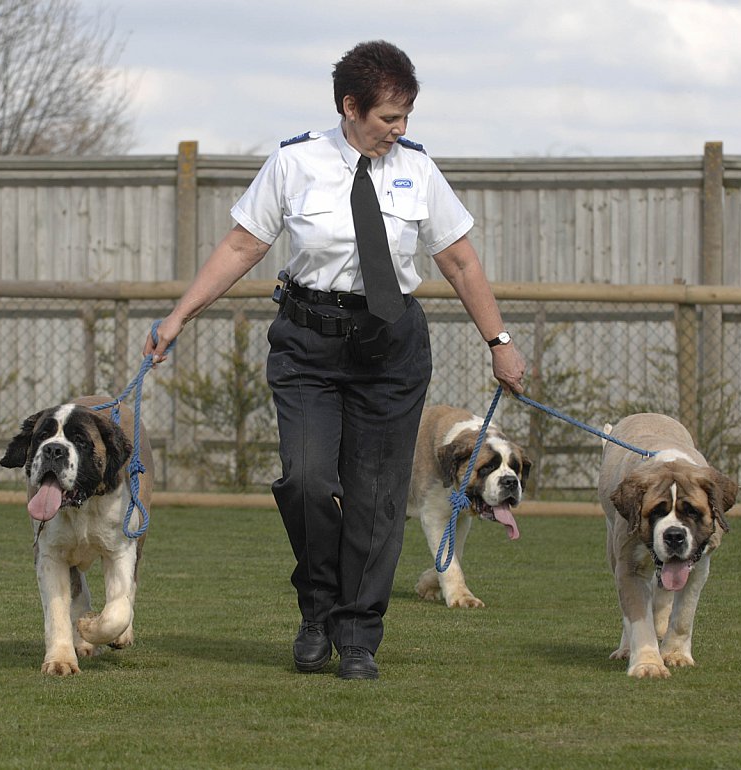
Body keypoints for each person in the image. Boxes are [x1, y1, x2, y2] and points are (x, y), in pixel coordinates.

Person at [144, 40, 526, 680]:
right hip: (309, 345)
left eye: (406, 117)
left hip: (391, 348)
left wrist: (500, 342)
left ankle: (356, 637)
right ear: (350, 107)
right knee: (306, 481)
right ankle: (316, 607)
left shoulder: (419, 171)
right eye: (387, 118)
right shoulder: (294, 163)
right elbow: (242, 246)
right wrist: (178, 315)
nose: (399, 131)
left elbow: (458, 260)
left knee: (377, 500)